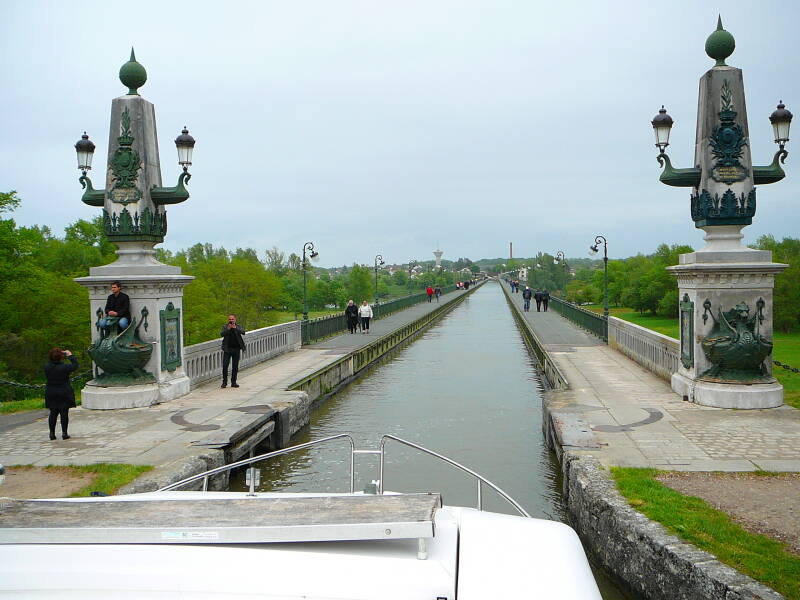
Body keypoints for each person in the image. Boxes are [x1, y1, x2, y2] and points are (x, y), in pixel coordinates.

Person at [44, 348, 78, 440]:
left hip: (51, 391)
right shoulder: (65, 367)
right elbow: (75, 365)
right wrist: (70, 355)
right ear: (61, 357)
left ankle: (52, 433)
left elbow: (50, 363)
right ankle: (64, 433)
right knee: (64, 413)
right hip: (63, 391)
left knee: (53, 413)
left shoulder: (47, 367)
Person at [220, 314, 246, 388]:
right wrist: (228, 329)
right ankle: (224, 382)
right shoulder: (225, 326)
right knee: (225, 365)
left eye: (232, 319)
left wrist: (235, 328)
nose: (231, 321)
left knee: (235, 366)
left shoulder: (238, 326)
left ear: (235, 320)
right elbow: (221, 334)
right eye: (230, 319)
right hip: (227, 349)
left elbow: (243, 332)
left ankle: (233, 382)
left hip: (236, 349)